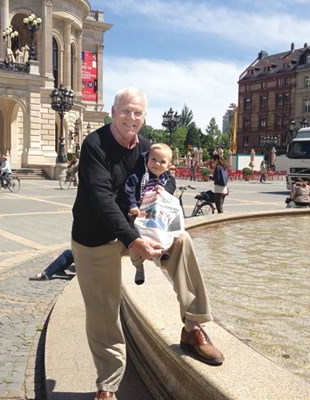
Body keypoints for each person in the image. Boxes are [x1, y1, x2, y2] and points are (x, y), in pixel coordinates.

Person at [71, 87, 223, 400]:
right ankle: (108, 386)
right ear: (113, 112)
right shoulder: (95, 145)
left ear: (144, 117)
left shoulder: (144, 146)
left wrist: (163, 192)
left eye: (137, 112)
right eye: (125, 111)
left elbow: (164, 176)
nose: (131, 117)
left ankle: (193, 328)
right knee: (103, 312)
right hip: (95, 236)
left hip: (135, 229)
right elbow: (101, 199)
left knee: (182, 241)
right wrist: (133, 240)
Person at [124, 143, 176, 284]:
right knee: (135, 240)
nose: (157, 164)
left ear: (168, 165)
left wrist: (164, 191)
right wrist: (133, 205)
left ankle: (162, 253)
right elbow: (129, 188)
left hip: (155, 214)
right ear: (147, 159)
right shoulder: (141, 175)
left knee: (162, 233)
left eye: (162, 161)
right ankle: (138, 266)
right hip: (140, 213)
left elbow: (172, 188)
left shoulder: (166, 179)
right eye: (153, 160)